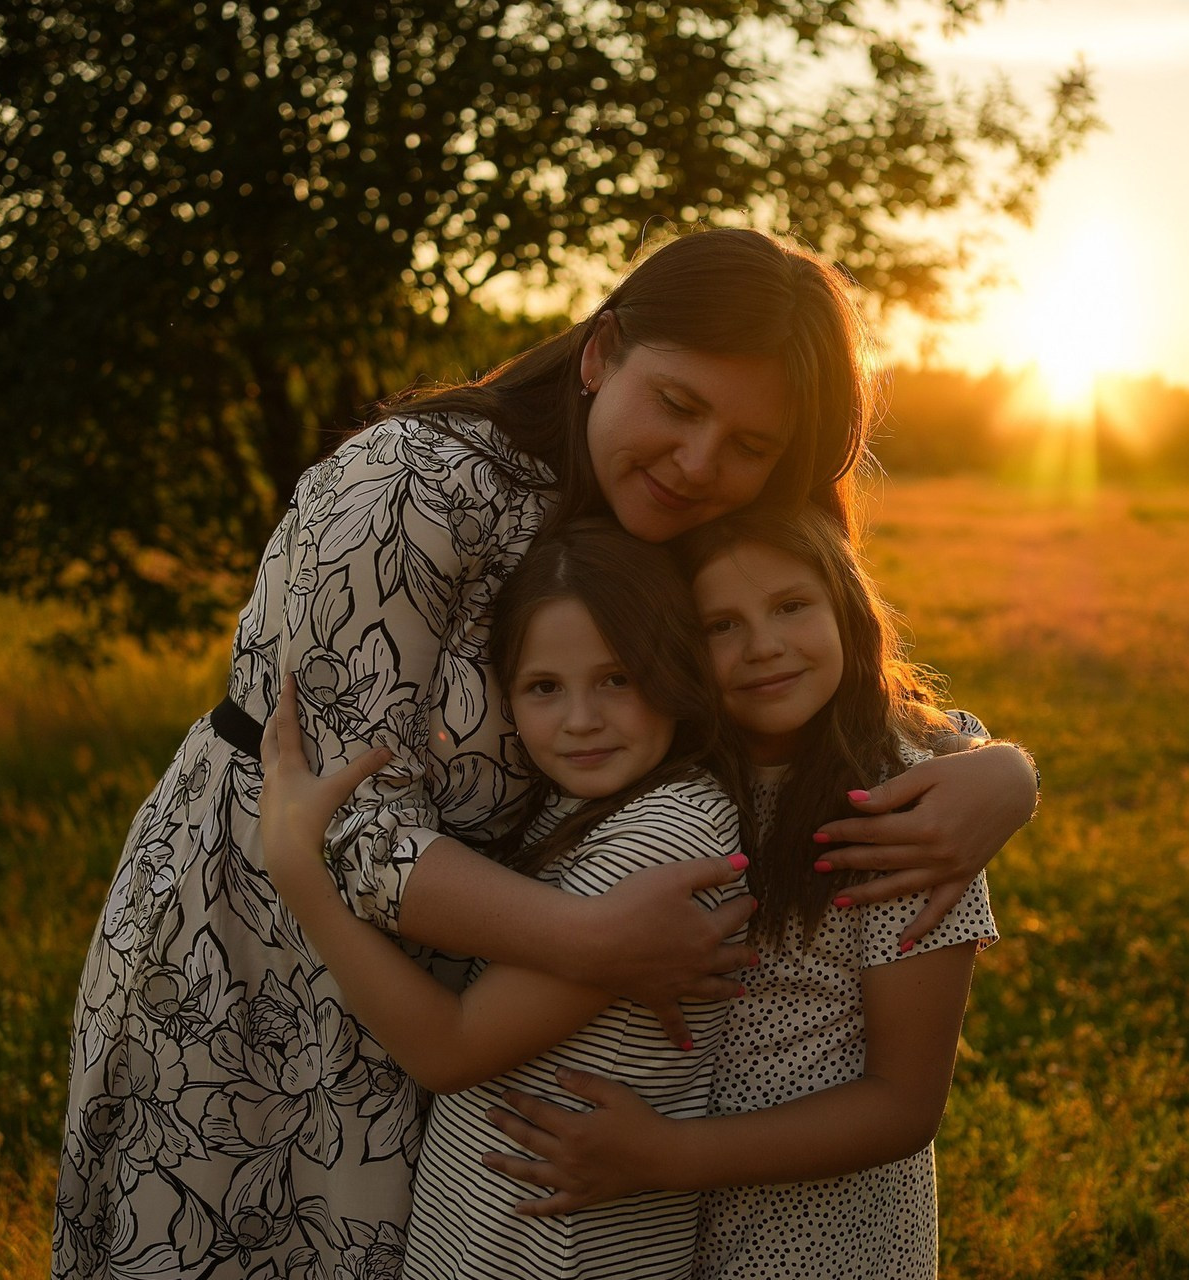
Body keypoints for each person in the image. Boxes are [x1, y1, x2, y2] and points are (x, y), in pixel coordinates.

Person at [52, 226, 1036, 1280]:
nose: (699, 461)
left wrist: (997, 770)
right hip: (267, 948)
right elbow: (349, 828)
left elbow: (810, 675)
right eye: (678, 403)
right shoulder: (412, 483)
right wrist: (585, 938)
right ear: (600, 351)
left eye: (750, 444)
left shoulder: (685, 507)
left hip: (486, 992)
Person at [482, 507, 1009, 1279]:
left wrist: (668, 1154)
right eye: (720, 625)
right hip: (661, 1230)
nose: (763, 645)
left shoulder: (905, 815)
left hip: (823, 1243)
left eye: (791, 606)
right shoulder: (667, 773)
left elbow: (903, 1104)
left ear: (846, 607)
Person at [260, 520, 753, 1279]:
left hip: (556, 1251)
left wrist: (302, 877)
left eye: (618, 678)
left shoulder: (666, 836)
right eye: (544, 688)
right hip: (497, 1235)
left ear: (674, 671)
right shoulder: (582, 805)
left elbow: (449, 1050)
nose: (581, 720)